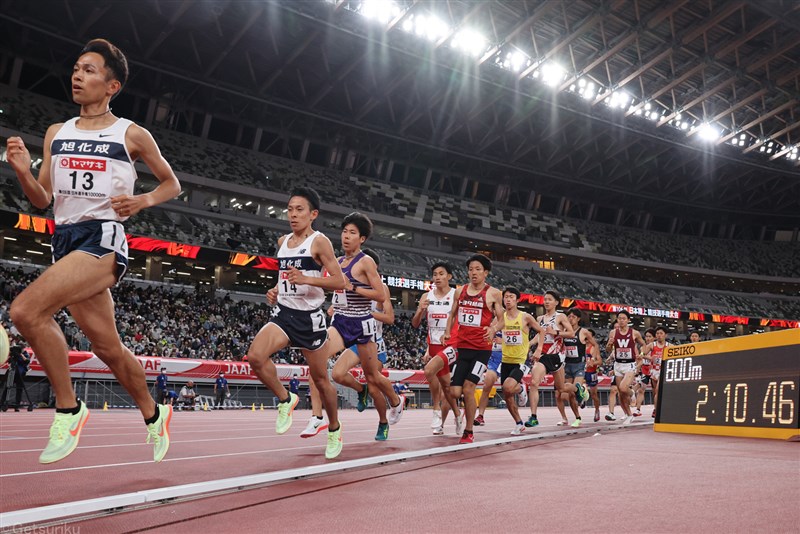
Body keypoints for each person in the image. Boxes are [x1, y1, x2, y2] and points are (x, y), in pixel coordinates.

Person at [6, 38, 181, 464]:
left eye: (88, 70)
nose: (77, 75)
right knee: (109, 349)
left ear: (112, 86)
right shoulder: (56, 133)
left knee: (25, 312)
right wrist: (22, 171)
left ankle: (68, 409)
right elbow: (42, 199)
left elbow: (171, 184)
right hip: (63, 240)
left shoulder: (130, 133)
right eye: (76, 68)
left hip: (102, 238)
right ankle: (156, 414)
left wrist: (142, 201)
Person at [248, 186, 347, 459]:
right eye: (290, 209)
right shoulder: (282, 242)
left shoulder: (319, 242)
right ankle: (285, 399)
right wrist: (276, 290)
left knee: (320, 379)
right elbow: (285, 278)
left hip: (310, 320)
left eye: (299, 209)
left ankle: (335, 427)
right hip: (284, 314)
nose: (293, 214)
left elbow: (340, 282)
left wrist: (308, 279)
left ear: (313, 214)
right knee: (255, 357)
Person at [328, 215, 405, 442]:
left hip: (374, 340)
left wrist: (369, 313)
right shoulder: (345, 269)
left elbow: (389, 318)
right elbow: (340, 297)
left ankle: (384, 420)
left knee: (374, 384)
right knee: (338, 374)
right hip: (351, 334)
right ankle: (359, 390)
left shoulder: (380, 288)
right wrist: (334, 308)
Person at [442, 254, 504, 444]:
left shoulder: (493, 293)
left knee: (469, 388)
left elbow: (502, 320)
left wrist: (493, 329)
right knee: (454, 392)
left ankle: (468, 431)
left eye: (478, 269)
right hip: (463, 346)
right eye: (470, 269)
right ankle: (465, 413)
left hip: (481, 350)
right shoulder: (459, 292)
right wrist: (446, 332)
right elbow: (452, 313)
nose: (473, 272)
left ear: (485, 272)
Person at [413, 262, 462, 436]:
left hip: (451, 344)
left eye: (441, 274)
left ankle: (435, 411)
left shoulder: (456, 294)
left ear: (449, 276)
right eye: (435, 274)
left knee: (429, 370)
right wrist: (420, 310)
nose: (437, 277)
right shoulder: (427, 296)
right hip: (433, 346)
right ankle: (457, 415)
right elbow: (415, 324)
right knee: (447, 388)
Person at [526, 290, 586, 428]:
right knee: (534, 382)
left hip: (557, 355)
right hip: (543, 355)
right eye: (545, 299)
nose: (546, 302)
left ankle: (577, 390)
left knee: (561, 388)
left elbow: (571, 333)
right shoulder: (540, 319)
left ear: (556, 302)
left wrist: (556, 332)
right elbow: (539, 336)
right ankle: (534, 417)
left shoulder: (561, 317)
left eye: (550, 299)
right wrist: (529, 345)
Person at [498, 287, 543, 435]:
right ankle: (518, 423)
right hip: (505, 360)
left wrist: (539, 349)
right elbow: (493, 331)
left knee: (509, 387)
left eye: (511, 297)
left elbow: (541, 331)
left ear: (517, 300)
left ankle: (521, 388)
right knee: (507, 392)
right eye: (505, 297)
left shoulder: (525, 317)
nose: (508, 299)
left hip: (521, 360)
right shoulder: (500, 317)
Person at [558, 307, 599, 427]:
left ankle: (581, 390)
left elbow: (595, 344)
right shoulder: (564, 331)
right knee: (569, 394)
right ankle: (577, 417)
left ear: (578, 319)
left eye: (573, 317)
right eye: (569, 317)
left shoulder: (583, 332)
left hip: (579, 365)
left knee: (575, 387)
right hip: (567, 365)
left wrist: (593, 358)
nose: (571, 319)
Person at [605, 310, 646, 425]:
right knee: (621, 393)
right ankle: (629, 414)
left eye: (624, 318)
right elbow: (608, 350)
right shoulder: (613, 333)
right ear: (617, 320)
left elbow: (644, 345)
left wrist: (641, 354)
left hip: (630, 364)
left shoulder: (635, 333)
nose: (621, 320)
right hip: (618, 364)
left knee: (623, 388)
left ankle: (632, 393)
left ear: (628, 320)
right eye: (619, 318)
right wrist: (609, 344)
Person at [474, 330, 502, 427]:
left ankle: (520, 388)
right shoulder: (491, 324)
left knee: (509, 388)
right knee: (487, 385)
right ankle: (480, 416)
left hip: (508, 357)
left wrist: (504, 341)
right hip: (493, 359)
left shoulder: (514, 321)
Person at [641, 325, 669, 417]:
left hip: (664, 371)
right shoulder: (652, 345)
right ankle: (656, 408)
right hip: (654, 371)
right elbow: (642, 354)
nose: (659, 335)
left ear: (666, 335)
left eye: (661, 333)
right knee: (655, 392)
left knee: (658, 390)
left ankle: (657, 411)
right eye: (657, 333)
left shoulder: (670, 346)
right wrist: (650, 357)